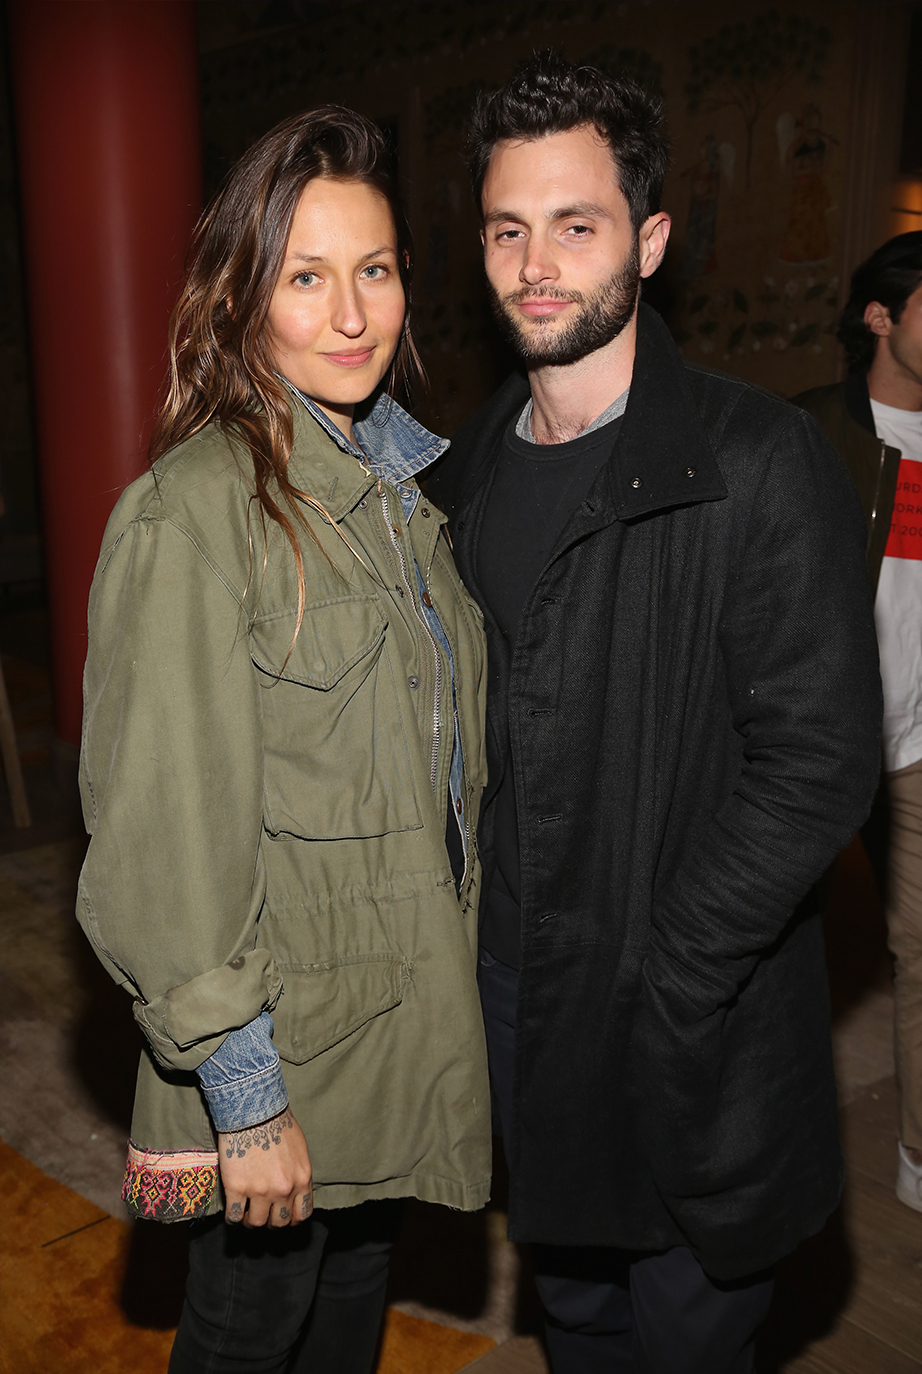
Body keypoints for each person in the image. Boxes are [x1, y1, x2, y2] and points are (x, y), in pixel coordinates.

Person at [428, 52, 882, 1374]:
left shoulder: (752, 462)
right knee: (574, 1309)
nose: (536, 263)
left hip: (686, 1008)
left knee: (690, 1330)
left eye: (576, 224)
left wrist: (676, 967)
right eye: (508, 229)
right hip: (517, 995)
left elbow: (818, 763)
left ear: (651, 237)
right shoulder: (458, 475)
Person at [76, 106, 491, 1374]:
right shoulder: (194, 517)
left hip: (388, 1022)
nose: (351, 312)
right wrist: (245, 1101)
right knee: (250, 1332)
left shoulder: (395, 497)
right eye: (305, 277)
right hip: (284, 1055)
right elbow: (160, 844)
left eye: (373, 270)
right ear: (241, 295)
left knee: (351, 1306)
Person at [794, 232, 922, 1213]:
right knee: (770, 957)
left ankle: (919, 1159)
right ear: (879, 317)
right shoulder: (807, 439)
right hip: (809, 744)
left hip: (917, 747)